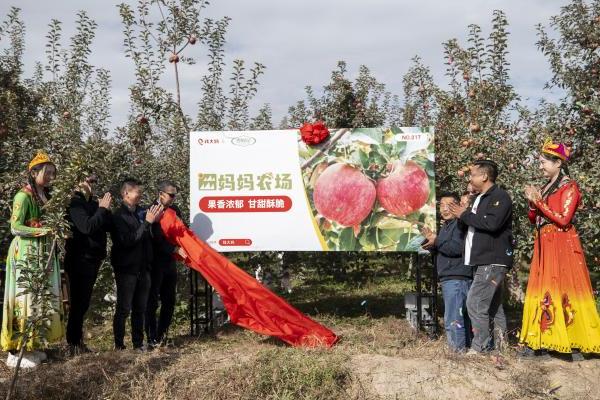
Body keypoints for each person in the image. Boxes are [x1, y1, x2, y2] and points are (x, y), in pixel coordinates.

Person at [519, 139, 600, 360]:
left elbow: (564, 219)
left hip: (561, 243)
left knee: (563, 289)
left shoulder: (569, 186)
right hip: (545, 242)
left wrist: (539, 202)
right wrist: (531, 204)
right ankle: (544, 339)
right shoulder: (546, 187)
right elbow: (534, 218)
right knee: (545, 289)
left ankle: (570, 341)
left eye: (543, 162)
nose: (540, 166)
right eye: (540, 162)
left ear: (558, 163)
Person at [2, 152, 65, 368]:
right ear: (34, 172)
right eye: (46, 172)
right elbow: (15, 227)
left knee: (41, 297)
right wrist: (44, 231)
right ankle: (17, 349)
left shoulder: (45, 195)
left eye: (52, 173)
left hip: (43, 254)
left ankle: (34, 344)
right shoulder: (23, 196)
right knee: (26, 297)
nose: (50, 176)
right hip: (27, 253)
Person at [449, 159, 513, 354]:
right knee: (492, 306)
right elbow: (470, 225)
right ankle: (502, 349)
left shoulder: (500, 197)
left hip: (492, 259)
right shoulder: (479, 198)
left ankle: (480, 347)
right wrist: (462, 214)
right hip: (481, 260)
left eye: (473, 174)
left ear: (484, 176)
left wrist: (464, 214)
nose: (470, 178)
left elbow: (491, 224)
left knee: (475, 302)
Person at [111, 178, 163, 350]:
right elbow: (128, 240)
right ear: (126, 193)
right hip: (127, 269)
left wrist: (152, 222)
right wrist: (147, 223)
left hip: (143, 267)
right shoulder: (119, 216)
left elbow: (148, 235)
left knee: (140, 308)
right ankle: (119, 345)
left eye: (141, 192)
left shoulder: (141, 212)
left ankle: (138, 343)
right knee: (124, 308)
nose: (140, 195)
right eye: (137, 192)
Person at [64, 174, 112, 355]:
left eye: (93, 181)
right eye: (88, 181)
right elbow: (87, 227)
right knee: (78, 303)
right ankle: (73, 344)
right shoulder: (75, 203)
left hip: (93, 259)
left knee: (83, 303)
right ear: (77, 182)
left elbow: (106, 224)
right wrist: (102, 210)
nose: (91, 185)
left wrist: (103, 211)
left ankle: (77, 342)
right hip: (80, 259)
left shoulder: (93, 202)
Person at [422, 192, 473, 352]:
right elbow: (443, 248)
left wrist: (436, 241)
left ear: (457, 206)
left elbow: (456, 248)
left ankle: (457, 352)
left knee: (454, 317)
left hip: (457, 276)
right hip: (450, 276)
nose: (444, 209)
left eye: (449, 205)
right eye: (441, 205)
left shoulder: (459, 224)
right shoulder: (446, 226)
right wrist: (432, 244)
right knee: (458, 315)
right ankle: (464, 348)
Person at [146, 181, 185, 348]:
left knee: (169, 301)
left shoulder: (176, 211)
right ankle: (151, 336)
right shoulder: (152, 210)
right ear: (161, 193)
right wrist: (174, 247)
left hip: (170, 262)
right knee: (152, 301)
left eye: (175, 195)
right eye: (171, 195)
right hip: (155, 262)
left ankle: (161, 335)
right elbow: (155, 238)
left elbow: (183, 231)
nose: (173, 198)